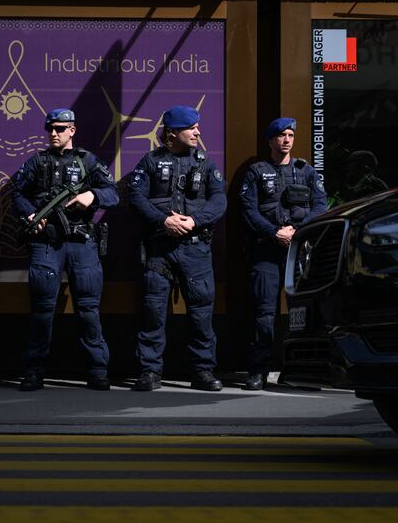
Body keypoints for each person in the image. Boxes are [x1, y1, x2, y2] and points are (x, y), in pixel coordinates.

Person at [10, 108, 118, 391]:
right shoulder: (37, 162)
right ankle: (34, 371)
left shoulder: (87, 161)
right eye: (50, 129)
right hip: (47, 242)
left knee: (89, 309)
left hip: (81, 242)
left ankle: (97, 370)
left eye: (60, 128)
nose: (53, 133)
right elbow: (18, 195)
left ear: (72, 130)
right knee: (43, 309)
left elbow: (113, 194)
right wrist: (31, 215)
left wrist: (91, 195)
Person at [127, 105, 227, 391]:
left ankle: (203, 372)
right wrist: (164, 221)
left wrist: (194, 221)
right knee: (153, 312)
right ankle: (149, 372)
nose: (198, 132)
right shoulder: (149, 161)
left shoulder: (206, 163)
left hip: (195, 250)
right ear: (172, 133)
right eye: (191, 128)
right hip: (160, 250)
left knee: (201, 314)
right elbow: (136, 198)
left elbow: (219, 201)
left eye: (197, 127)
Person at [239, 117, 328, 390]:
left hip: (298, 251)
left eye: (290, 134)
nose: (286, 139)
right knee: (264, 314)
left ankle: (299, 371)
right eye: (280, 135)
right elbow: (248, 210)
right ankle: (258, 372)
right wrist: (273, 232)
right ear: (270, 140)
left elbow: (320, 206)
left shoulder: (306, 171)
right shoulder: (256, 172)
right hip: (266, 250)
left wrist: (296, 231)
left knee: (301, 314)